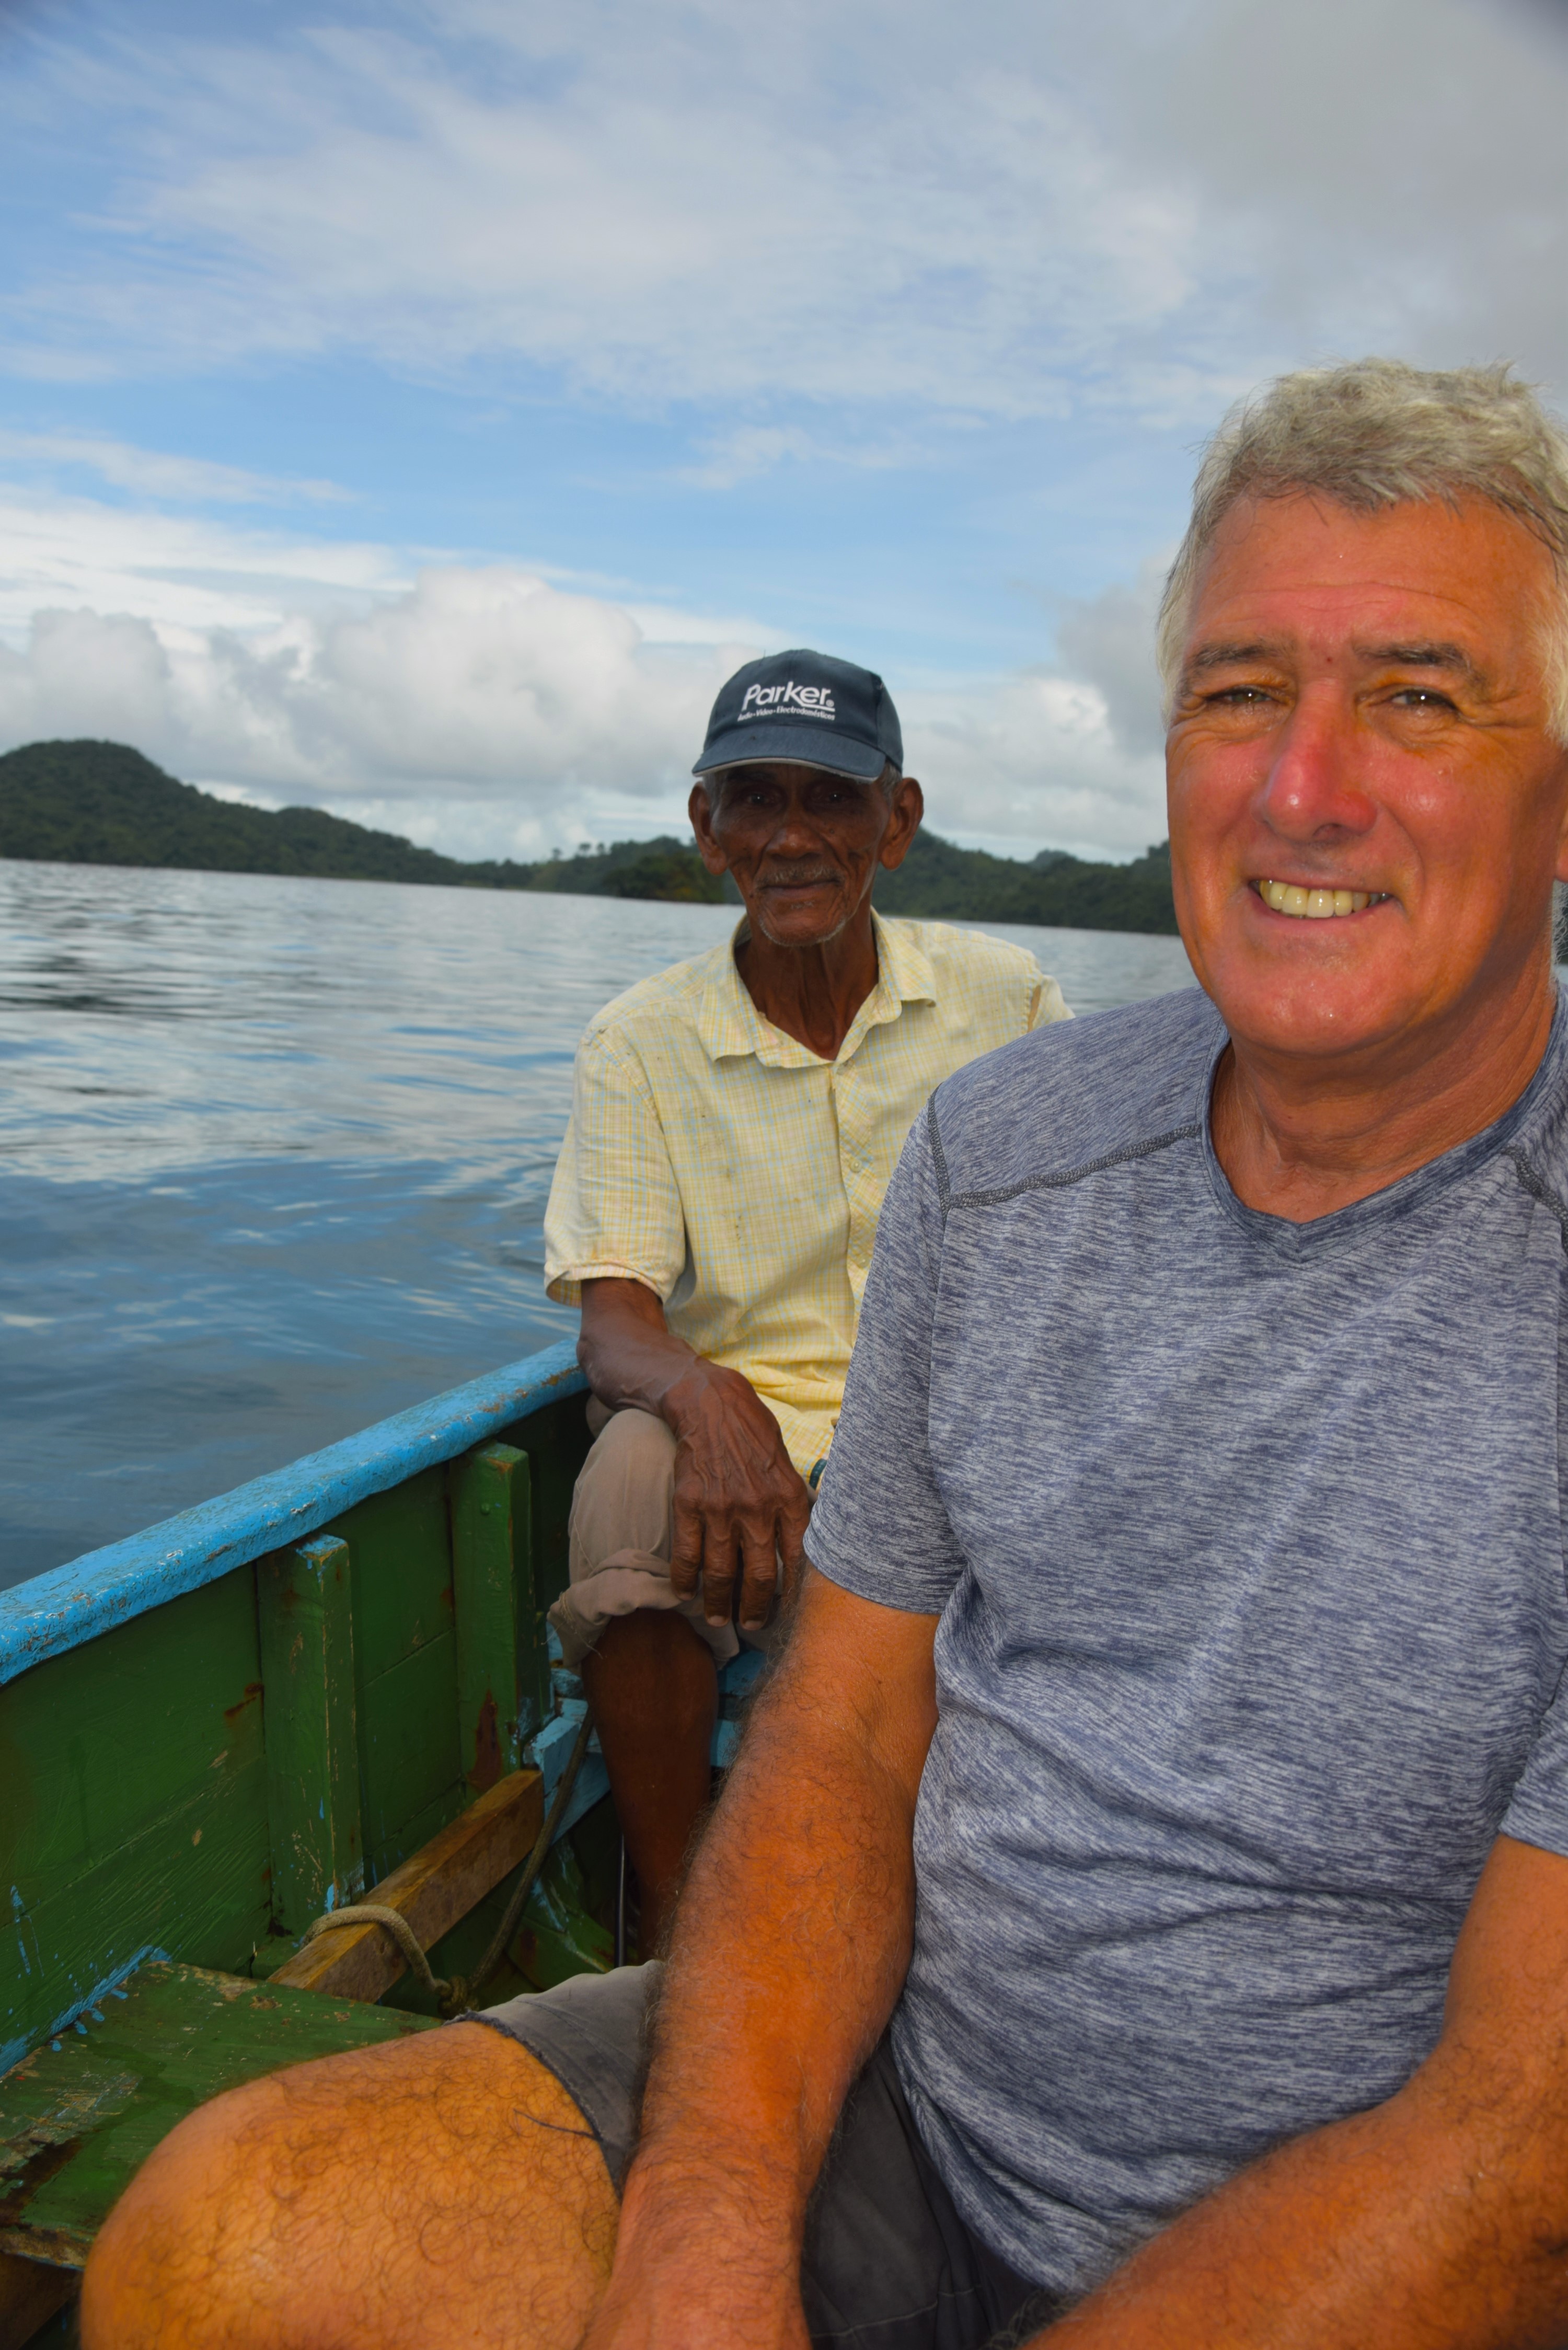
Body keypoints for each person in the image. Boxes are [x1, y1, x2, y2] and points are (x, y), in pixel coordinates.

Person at [81, 353, 1568, 2350]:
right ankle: (672, 1917)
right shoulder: (1008, 1140)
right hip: (918, 2088)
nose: (1303, 785)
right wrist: (707, 2223)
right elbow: (857, 1725)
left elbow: (1520, 2144)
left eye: (1418, 691)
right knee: (207, 2247)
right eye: (1237, 692)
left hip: (1364, 2246)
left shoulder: (999, 1007)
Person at [542, 647, 1065, 1945]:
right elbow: (614, 1320)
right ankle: (670, 1918)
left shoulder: (1009, 1004)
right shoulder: (640, 1039)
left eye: (831, 799)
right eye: (753, 799)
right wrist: (708, 1395)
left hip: (961, 1446)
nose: (791, 837)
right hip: (751, 1490)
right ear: (705, 829)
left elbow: (1092, 1257)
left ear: (898, 819)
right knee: (625, 1476)